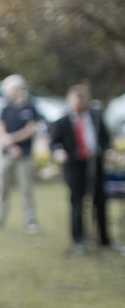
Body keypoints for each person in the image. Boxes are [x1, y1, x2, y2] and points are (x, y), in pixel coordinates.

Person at [49, 84, 113, 253]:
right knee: (77, 202)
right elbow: (53, 143)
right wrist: (59, 152)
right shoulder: (62, 121)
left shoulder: (95, 117)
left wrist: (108, 150)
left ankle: (104, 238)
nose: (78, 106)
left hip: (94, 163)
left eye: (82, 101)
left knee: (100, 201)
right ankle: (78, 240)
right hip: (74, 165)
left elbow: (105, 138)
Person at [0, 74, 42, 234]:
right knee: (2, 189)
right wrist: (11, 145)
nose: (6, 91)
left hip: (24, 155)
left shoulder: (30, 106)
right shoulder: (5, 107)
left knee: (26, 189)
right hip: (7, 154)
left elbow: (31, 129)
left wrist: (12, 139)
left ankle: (30, 221)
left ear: (17, 88)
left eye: (8, 88)